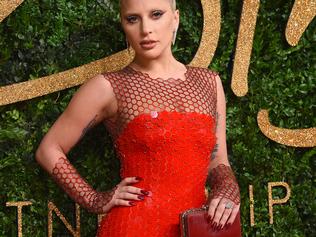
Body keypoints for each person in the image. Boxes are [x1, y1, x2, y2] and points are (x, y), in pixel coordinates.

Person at [35, 0, 241, 236]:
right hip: (133, 226)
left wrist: (228, 188)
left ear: (175, 18)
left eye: (156, 14)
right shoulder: (109, 86)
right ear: (123, 24)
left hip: (196, 228)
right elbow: (48, 149)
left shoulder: (209, 83)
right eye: (132, 19)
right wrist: (94, 199)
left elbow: (218, 160)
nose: (145, 29)